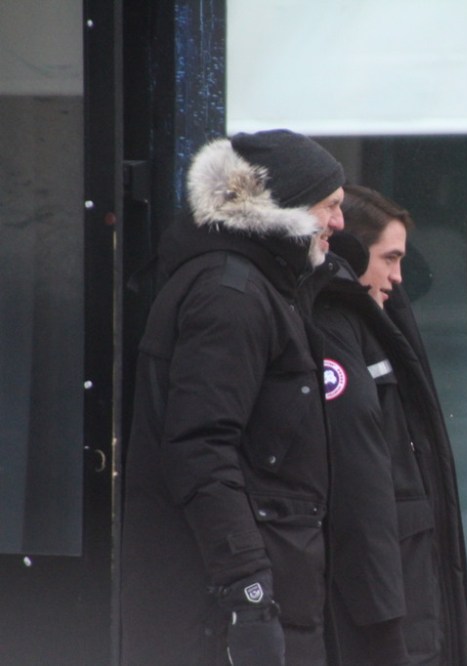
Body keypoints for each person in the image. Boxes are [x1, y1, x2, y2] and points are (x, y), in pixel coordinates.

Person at [121, 129, 346, 666]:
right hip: (218, 607)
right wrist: (249, 589)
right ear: (286, 208)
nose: (340, 222)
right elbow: (200, 448)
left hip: (248, 590)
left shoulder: (261, 285)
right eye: (331, 205)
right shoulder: (231, 295)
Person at [299, 184, 467, 665]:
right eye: (389, 259)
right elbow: (358, 479)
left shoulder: (379, 322)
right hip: (384, 598)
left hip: (407, 581)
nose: (397, 277)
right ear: (351, 252)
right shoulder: (336, 330)